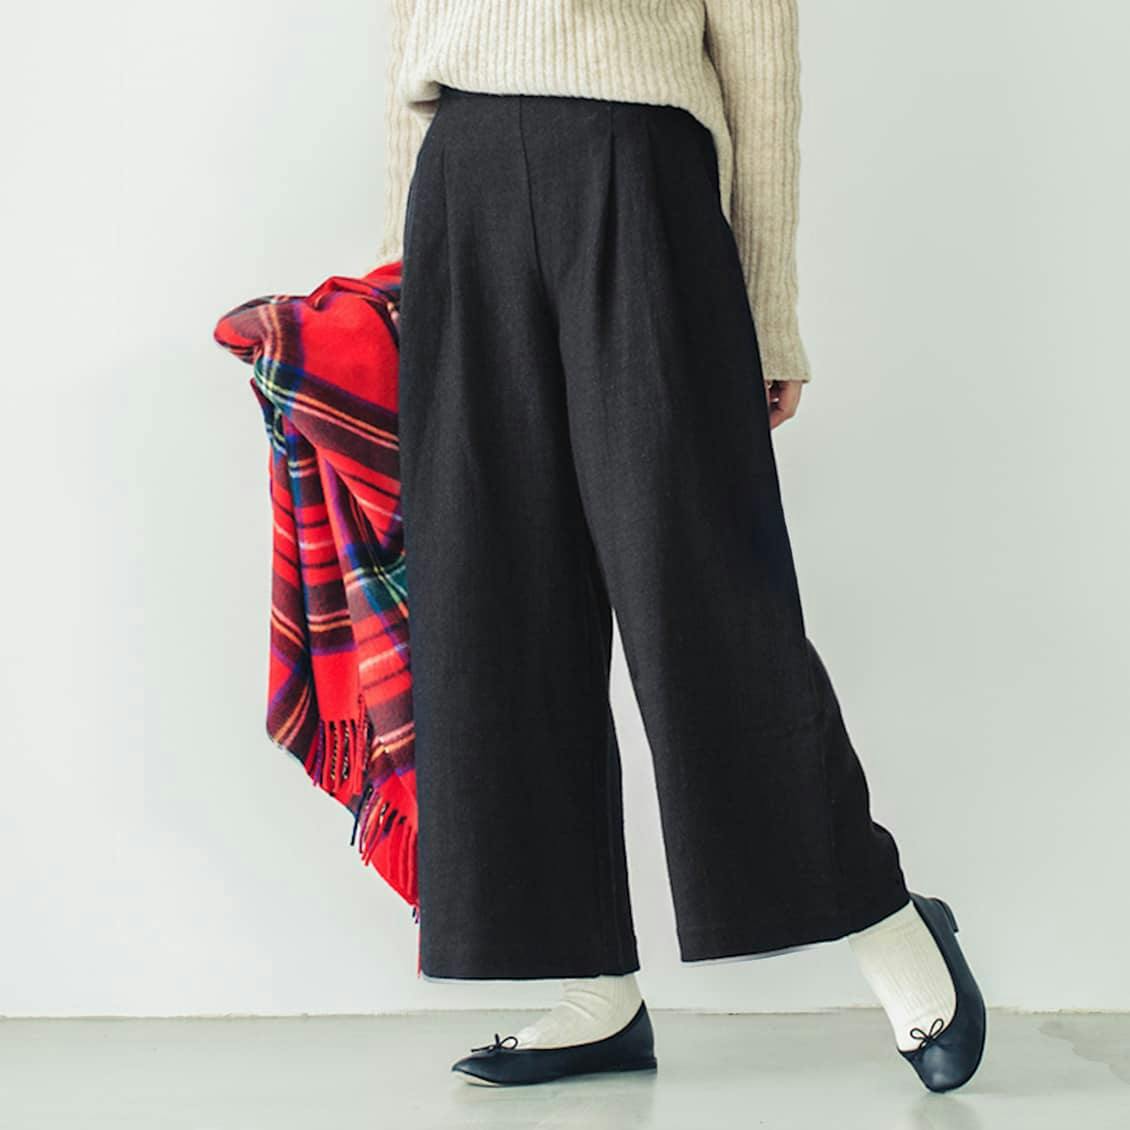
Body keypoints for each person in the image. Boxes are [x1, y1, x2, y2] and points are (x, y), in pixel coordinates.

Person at [374, 0, 986, 1093]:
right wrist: (394, 274)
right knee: (491, 600)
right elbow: (411, 34)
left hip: (640, 172)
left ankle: (887, 920)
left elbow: (760, 67)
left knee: (701, 595)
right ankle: (592, 988)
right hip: (461, 176)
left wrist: (768, 308)